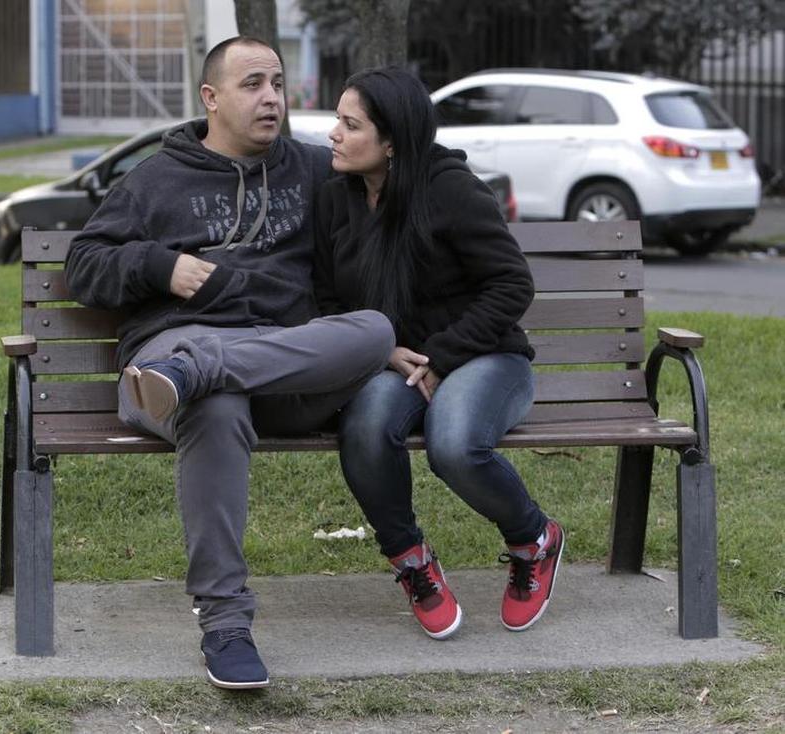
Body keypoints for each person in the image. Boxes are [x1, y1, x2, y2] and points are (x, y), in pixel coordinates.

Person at [64, 37, 395, 689]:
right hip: (164, 362)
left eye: (277, 82)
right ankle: (225, 625)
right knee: (213, 405)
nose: (271, 96)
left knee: (376, 330)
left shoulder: (315, 172)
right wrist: (161, 265)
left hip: (281, 366)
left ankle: (204, 364)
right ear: (211, 99)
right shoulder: (156, 179)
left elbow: (410, 192)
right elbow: (84, 263)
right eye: (252, 84)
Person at [314, 66, 565, 640]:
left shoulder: (450, 190)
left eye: (350, 125)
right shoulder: (336, 200)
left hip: (484, 356)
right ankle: (412, 563)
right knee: (367, 425)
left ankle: (534, 538)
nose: (334, 134)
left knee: (454, 445)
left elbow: (511, 286)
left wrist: (442, 356)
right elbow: (326, 299)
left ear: (393, 143)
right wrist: (382, 351)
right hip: (395, 363)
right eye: (337, 120)